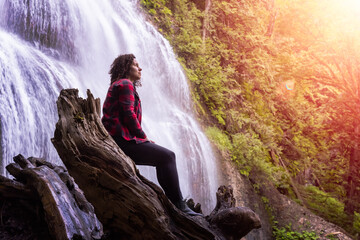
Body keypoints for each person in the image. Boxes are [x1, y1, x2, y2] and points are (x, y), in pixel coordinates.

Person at [102, 53, 202, 216]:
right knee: (168, 156)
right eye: (136, 64)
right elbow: (128, 115)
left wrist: (141, 139)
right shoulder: (125, 84)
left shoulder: (121, 84)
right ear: (126, 67)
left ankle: (176, 203)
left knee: (163, 158)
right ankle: (179, 204)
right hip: (121, 141)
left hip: (117, 140)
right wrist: (143, 137)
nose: (140, 68)